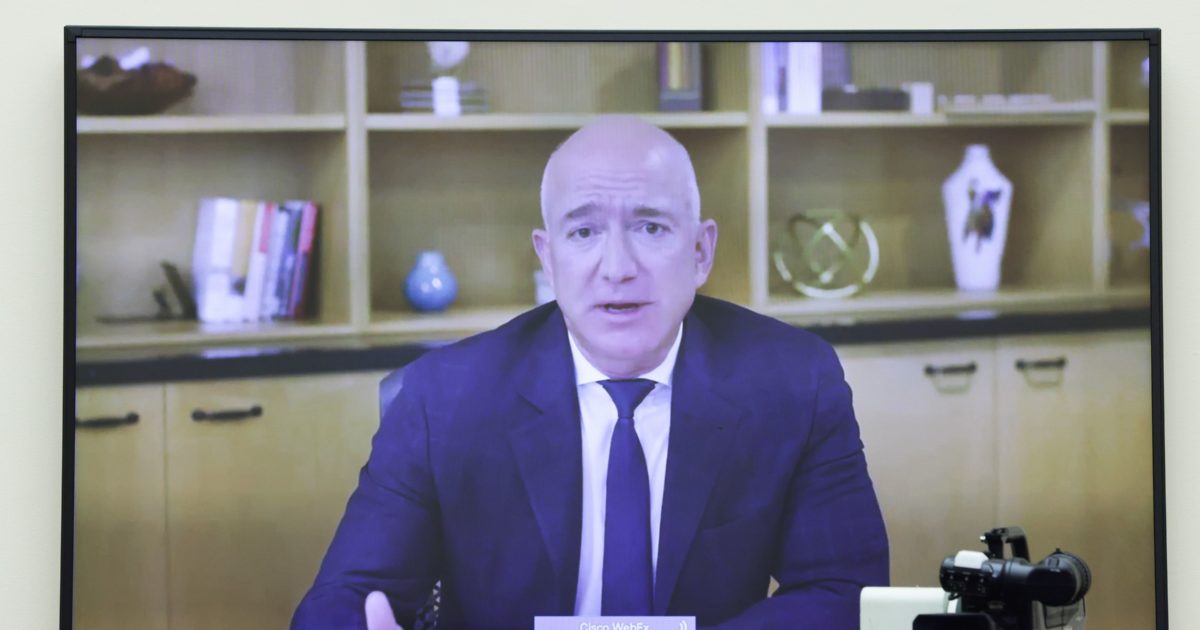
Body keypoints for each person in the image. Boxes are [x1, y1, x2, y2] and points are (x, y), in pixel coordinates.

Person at [292, 115, 889, 629]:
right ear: (548, 259)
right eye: (583, 232)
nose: (617, 267)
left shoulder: (792, 381)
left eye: (650, 227)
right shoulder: (444, 398)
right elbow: (345, 596)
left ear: (700, 252)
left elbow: (844, 591)